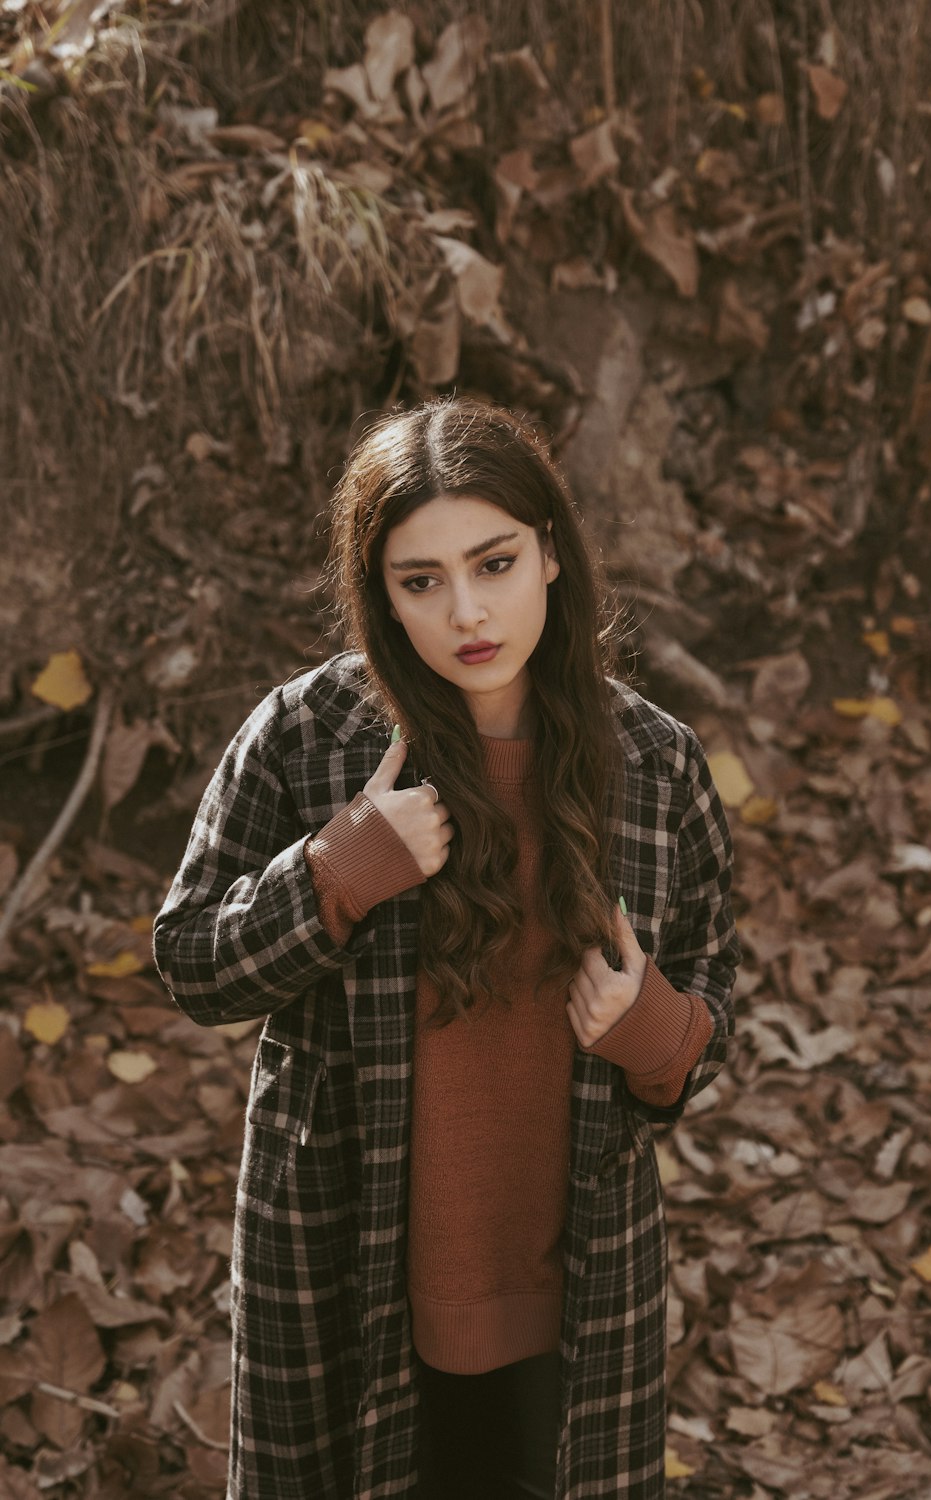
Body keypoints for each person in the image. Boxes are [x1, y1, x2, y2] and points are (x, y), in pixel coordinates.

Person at [152, 395, 741, 1500]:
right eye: (420, 581)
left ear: (551, 554)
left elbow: (712, 1000)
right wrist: (339, 869)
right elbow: (190, 960)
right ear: (378, 591)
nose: (466, 611)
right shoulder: (310, 739)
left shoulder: (653, 767)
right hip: (343, 1260)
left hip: (577, 1275)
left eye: (495, 562)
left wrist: (655, 1029)